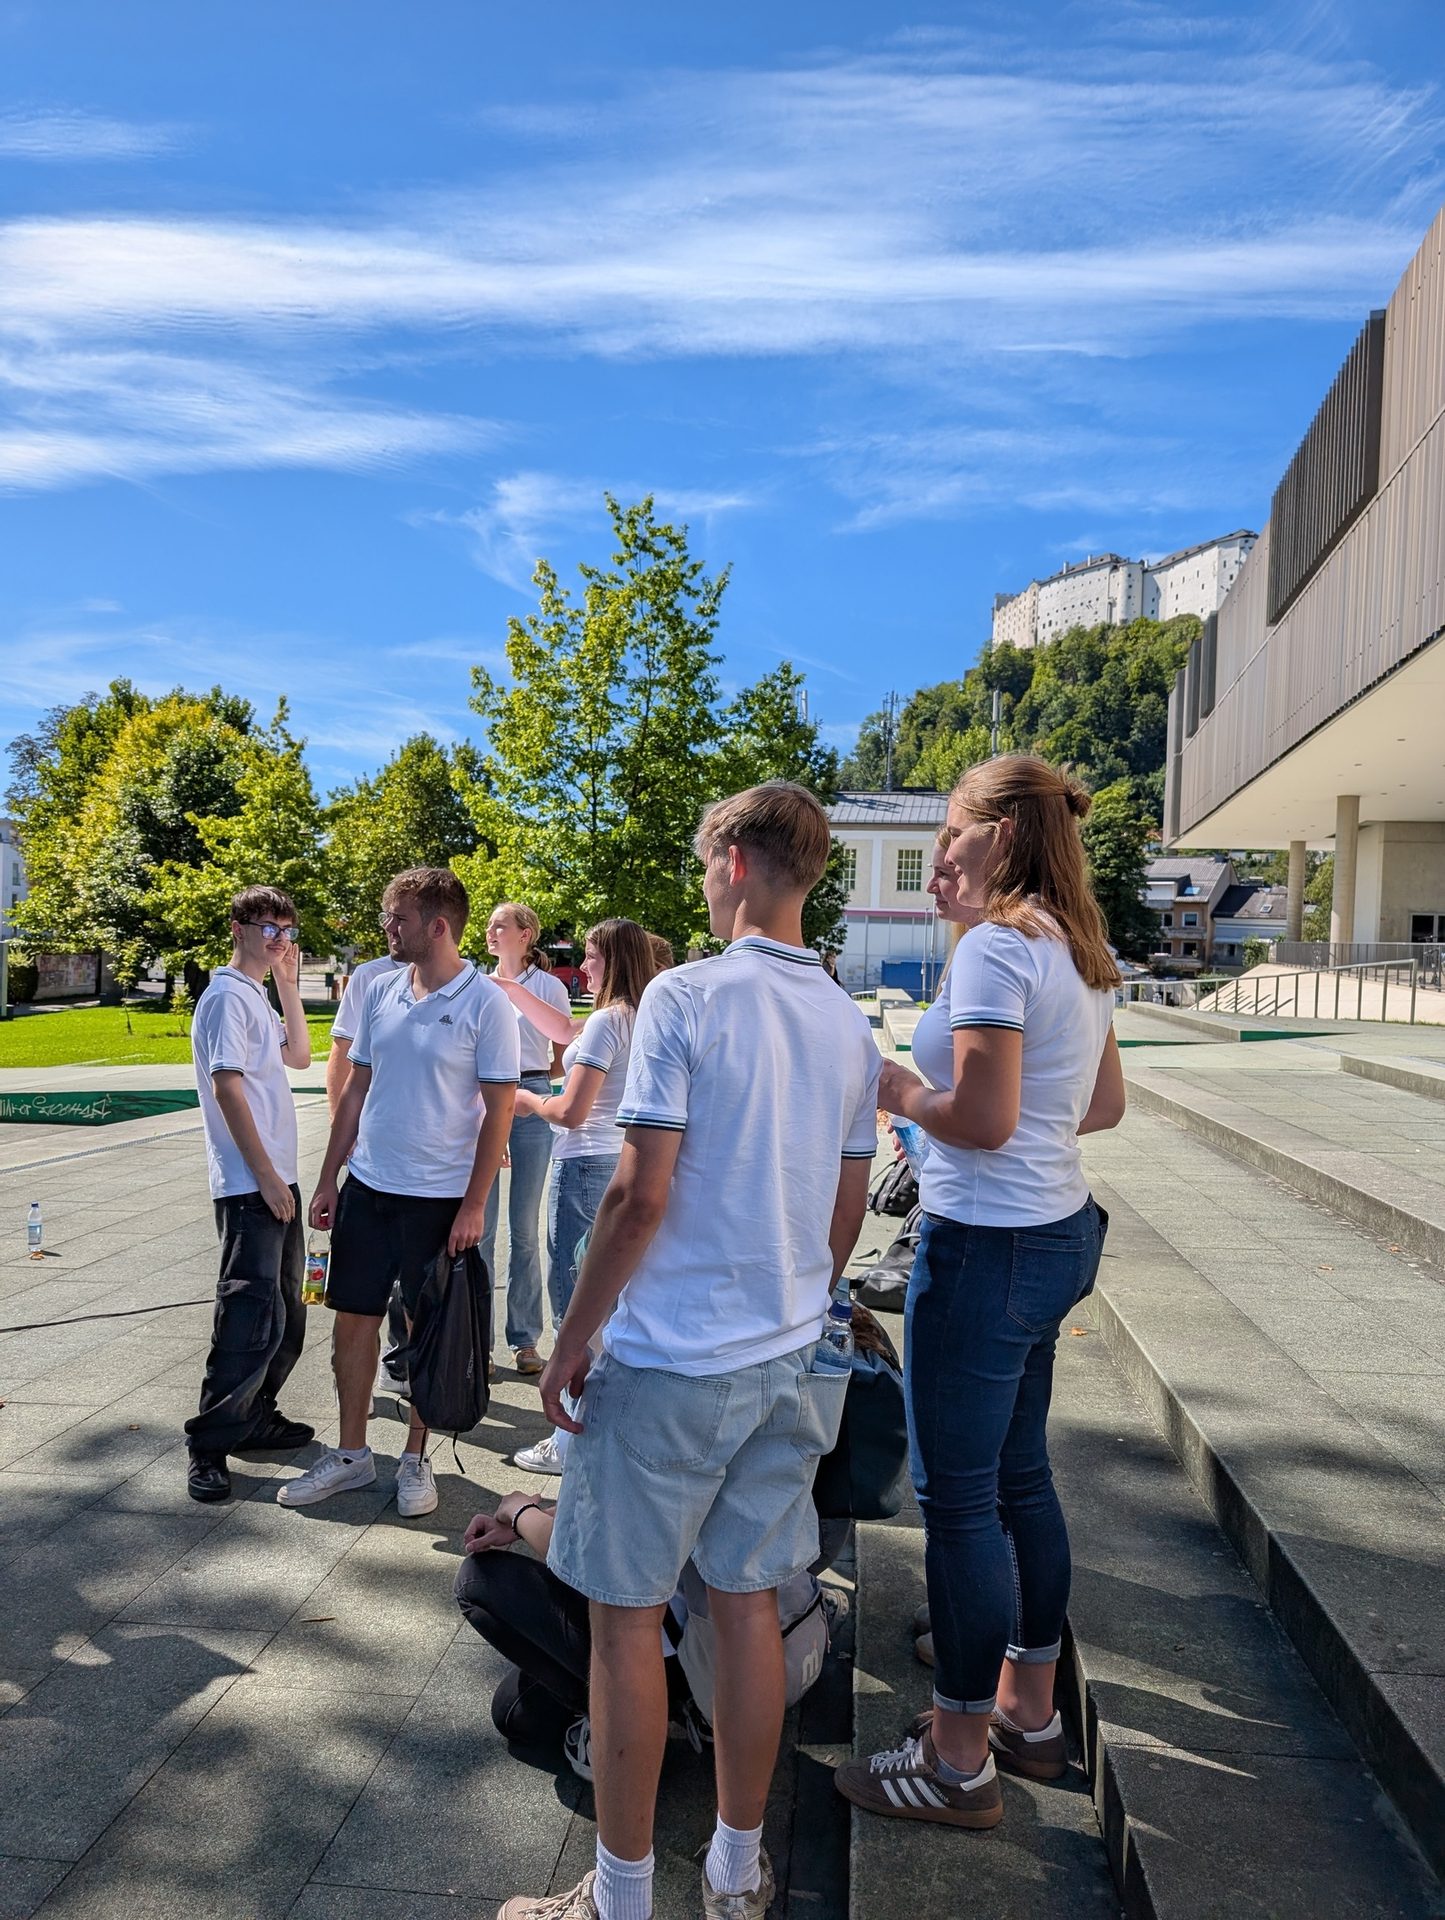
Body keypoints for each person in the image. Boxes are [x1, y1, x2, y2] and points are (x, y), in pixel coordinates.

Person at [497, 781, 882, 1920]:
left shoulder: (687, 997)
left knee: (623, 1619)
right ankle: (733, 1867)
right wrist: (796, 1297)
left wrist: (571, 1340)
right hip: (783, 1359)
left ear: (730, 860)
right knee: (745, 1604)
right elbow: (846, 1205)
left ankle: (618, 1900)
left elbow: (636, 1189)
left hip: (673, 1359)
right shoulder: (845, 1020)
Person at [834, 755, 1126, 1831]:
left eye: (950, 829)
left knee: (959, 1507)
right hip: (1054, 1232)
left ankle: (957, 1761)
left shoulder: (1002, 947)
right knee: (1018, 1482)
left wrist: (897, 1087)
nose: (938, 848)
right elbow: (1098, 1108)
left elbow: (987, 1119)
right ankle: (1028, 1716)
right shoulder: (1077, 950)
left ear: (997, 835)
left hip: (988, 1246)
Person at [280, 867, 519, 1517]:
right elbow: (356, 1089)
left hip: (439, 1200)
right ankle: (352, 1455)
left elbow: (499, 1111)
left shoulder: (486, 1004)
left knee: (424, 1332)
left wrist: (473, 1204)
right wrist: (330, 1175)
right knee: (351, 1323)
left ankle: (415, 1458)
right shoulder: (380, 990)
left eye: (397, 918)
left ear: (437, 926)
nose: (387, 927)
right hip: (368, 1188)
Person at [502, 918, 658, 1476]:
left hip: (583, 1163)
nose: (583, 966)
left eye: (590, 957)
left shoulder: (607, 1023)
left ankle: (568, 1435)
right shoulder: (647, 1018)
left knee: (574, 1304)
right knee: (613, 1303)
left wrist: (525, 1101)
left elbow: (570, 1110)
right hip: (624, 1161)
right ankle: (604, 1427)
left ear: (610, 960)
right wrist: (514, 990)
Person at [185, 887, 314, 1503]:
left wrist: (288, 983)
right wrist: (264, 1175)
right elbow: (228, 1089)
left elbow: (301, 1056)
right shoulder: (225, 997)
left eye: (286, 930)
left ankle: (256, 1416)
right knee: (247, 1318)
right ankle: (208, 1446)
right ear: (236, 927)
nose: (279, 939)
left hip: (275, 1178)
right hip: (249, 1183)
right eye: (268, 928)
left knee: (287, 1313)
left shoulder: (255, 995)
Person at [482, 903, 573, 1378]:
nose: (490, 932)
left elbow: (562, 1058)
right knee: (480, 1229)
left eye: (501, 925)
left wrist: (529, 1084)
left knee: (524, 1231)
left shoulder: (548, 986)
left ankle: (523, 1339)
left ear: (526, 933)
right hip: (485, 1100)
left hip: (533, 1096)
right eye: (489, 925)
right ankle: (475, 1338)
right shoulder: (478, 983)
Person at [326, 950, 407, 1390]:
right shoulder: (371, 978)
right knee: (357, 1296)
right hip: (368, 1161)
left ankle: (399, 1365)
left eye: (399, 918)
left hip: (424, 1173)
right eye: (387, 918)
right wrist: (341, 1134)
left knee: (413, 1294)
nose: (390, 928)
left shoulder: (468, 989)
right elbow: (343, 1059)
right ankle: (356, 1393)